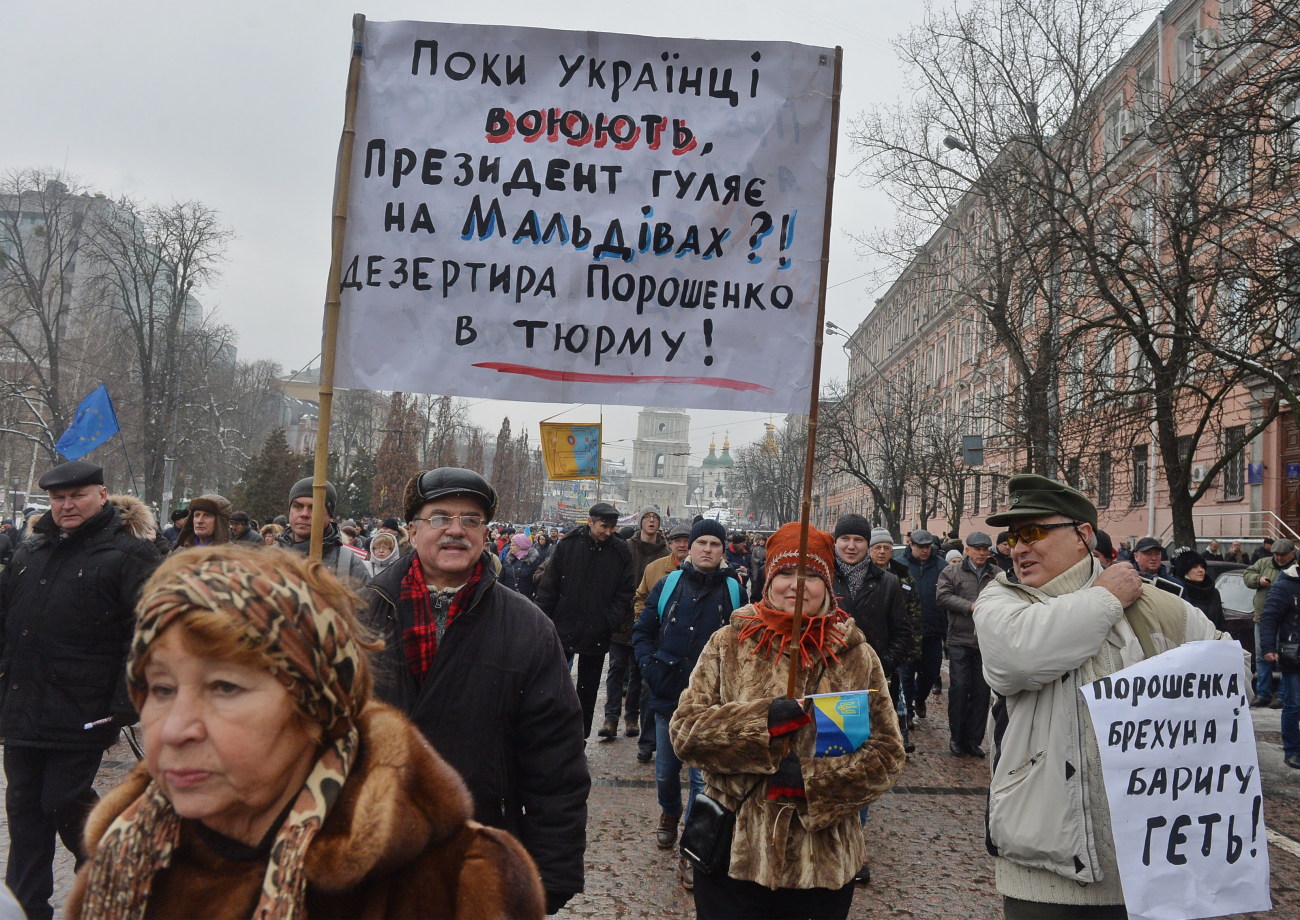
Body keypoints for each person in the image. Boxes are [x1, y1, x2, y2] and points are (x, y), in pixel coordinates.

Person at [65, 544, 545, 919]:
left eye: (225, 688)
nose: (174, 730)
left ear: (314, 709)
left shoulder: (461, 881)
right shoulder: (126, 860)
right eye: (161, 688)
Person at [975, 474, 1239, 919]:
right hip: (1045, 861)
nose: (1019, 547)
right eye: (1014, 536)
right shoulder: (1002, 600)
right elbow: (1015, 659)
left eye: (1034, 531)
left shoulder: (1158, 605)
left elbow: (1234, 679)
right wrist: (1106, 598)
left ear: (1083, 535)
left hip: (1147, 858)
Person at [362, 468, 589, 914]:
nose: (455, 530)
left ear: (485, 534)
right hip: (369, 852)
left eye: (471, 519)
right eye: (439, 517)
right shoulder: (358, 613)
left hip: (476, 851)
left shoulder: (528, 627)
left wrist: (552, 870)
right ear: (411, 530)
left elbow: (555, 763)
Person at [671, 522, 906, 919]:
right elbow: (685, 733)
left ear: (828, 585)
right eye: (785, 574)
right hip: (734, 855)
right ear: (769, 580)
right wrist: (762, 722)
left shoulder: (855, 656)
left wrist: (814, 780)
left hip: (821, 865)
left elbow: (886, 754)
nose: (797, 586)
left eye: (812, 575)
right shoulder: (728, 644)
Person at [0, 460, 161, 920]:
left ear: (102, 495)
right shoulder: (32, 551)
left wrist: (126, 701)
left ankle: (114, 877)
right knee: (25, 808)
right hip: (24, 703)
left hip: (85, 706)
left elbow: (147, 631)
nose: (66, 506)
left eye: (77, 496)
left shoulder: (130, 554)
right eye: (58, 498)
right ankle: (26, 907)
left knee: (63, 799)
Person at [632, 518, 743, 890]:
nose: (707, 549)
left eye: (714, 543)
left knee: (701, 779)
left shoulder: (734, 589)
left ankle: (692, 851)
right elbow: (643, 630)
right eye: (702, 543)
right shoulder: (668, 585)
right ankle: (668, 813)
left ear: (722, 550)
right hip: (668, 696)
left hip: (712, 703)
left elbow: (745, 640)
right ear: (689, 549)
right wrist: (651, 667)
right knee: (666, 771)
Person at [832, 514, 912, 883]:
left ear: (868, 544)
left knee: (859, 770)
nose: (851, 546)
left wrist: (880, 668)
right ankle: (826, 841)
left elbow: (901, 633)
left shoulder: (889, 582)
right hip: (825, 689)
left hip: (865, 692)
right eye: (845, 538)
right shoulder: (821, 578)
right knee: (827, 765)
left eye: (858, 540)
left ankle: (853, 847)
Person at [536, 502, 636, 739]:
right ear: (590, 522)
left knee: (587, 690)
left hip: (597, 630)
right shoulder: (568, 545)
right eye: (604, 526)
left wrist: (608, 621)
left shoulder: (620, 551)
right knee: (553, 684)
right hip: (563, 625)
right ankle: (550, 733)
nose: (608, 532)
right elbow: (550, 586)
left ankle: (579, 736)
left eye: (612, 527)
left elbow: (625, 592)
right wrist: (543, 621)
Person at [602, 509, 668, 740]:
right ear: (640, 523)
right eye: (647, 518)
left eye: (655, 519)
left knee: (639, 673)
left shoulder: (665, 553)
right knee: (616, 669)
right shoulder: (626, 547)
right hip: (622, 620)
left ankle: (632, 718)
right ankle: (610, 718)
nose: (651, 521)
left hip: (649, 622)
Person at [632, 523, 692, 764]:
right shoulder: (656, 569)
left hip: (689, 645)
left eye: (687, 540)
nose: (682, 545)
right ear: (670, 543)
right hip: (660, 643)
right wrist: (642, 621)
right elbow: (641, 597)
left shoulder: (709, 571)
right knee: (650, 692)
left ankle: (684, 744)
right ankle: (648, 743)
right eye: (677, 540)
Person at [936, 531, 996, 758]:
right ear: (967, 550)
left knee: (982, 692)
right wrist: (970, 606)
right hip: (960, 639)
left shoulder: (996, 574)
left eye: (985, 549)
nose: (982, 553)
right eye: (977, 548)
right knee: (960, 689)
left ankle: (974, 740)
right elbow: (942, 597)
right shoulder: (951, 571)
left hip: (986, 642)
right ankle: (957, 738)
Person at [276, 477, 370, 586]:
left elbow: (367, 601)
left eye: (314, 508)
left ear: (330, 516)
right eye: (298, 506)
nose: (304, 514)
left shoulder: (348, 564)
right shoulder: (268, 557)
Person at [1244, 538, 1296, 709]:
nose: (1279, 558)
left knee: (1286, 657)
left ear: (1292, 554)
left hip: (1287, 622)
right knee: (1262, 657)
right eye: (1277, 554)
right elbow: (1247, 575)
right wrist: (1258, 580)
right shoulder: (1263, 563)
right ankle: (1263, 693)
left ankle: (1282, 694)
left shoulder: (1294, 569)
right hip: (1262, 618)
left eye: (1283, 555)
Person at [1260, 559, 1300, 769]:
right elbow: (1269, 618)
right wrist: (1268, 648)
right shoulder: (1284, 586)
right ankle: (1292, 750)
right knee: (1293, 704)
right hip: (1294, 654)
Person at [904, 528, 945, 716]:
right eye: (921, 547)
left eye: (928, 547)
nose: (925, 550)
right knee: (905, 675)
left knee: (930, 673)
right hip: (907, 632)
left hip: (932, 630)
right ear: (911, 544)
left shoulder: (941, 566)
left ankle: (919, 699)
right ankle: (908, 712)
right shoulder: (899, 565)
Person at [1170, 548, 1225, 630]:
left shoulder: (1213, 592)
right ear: (1184, 570)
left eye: (1202, 567)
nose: (1200, 570)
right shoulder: (1178, 591)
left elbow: (1220, 622)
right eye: (1194, 567)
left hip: (1213, 640)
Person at [500, 533, 542, 600]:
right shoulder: (508, 560)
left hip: (525, 599)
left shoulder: (533, 561)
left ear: (521, 546)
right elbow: (501, 580)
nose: (510, 547)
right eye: (510, 544)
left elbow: (537, 584)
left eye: (513, 545)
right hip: (507, 598)